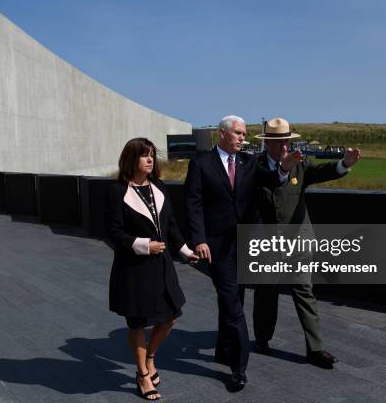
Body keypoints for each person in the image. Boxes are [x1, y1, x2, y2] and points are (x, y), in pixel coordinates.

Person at [184, 115, 290, 391]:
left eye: (245, 134)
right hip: (217, 247)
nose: (243, 138)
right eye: (239, 133)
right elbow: (193, 204)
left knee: (233, 299)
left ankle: (222, 348)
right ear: (222, 134)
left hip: (245, 243)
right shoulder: (200, 163)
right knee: (233, 303)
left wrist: (283, 169)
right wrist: (199, 240)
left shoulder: (248, 162)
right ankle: (238, 367)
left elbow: (271, 179)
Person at [252, 117, 361, 369]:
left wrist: (345, 164)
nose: (284, 147)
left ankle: (315, 349)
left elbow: (323, 172)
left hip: (298, 241)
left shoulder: (300, 166)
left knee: (304, 292)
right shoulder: (254, 166)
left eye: (287, 142)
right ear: (267, 142)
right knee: (265, 293)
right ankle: (262, 338)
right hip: (268, 243)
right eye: (279, 142)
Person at [105, 137, 199, 401]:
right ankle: (143, 375)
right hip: (133, 267)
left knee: (170, 315)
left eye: (151, 155)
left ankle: (150, 356)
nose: (150, 159)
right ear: (131, 159)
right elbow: (113, 232)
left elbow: (170, 226)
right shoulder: (116, 191)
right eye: (144, 155)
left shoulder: (158, 186)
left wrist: (186, 251)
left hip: (161, 265)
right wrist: (144, 245)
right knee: (136, 322)